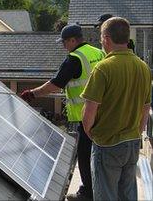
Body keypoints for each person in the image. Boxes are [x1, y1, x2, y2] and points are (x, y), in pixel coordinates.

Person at [20, 24, 104, 201]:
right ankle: (98, 189)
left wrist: (32, 93)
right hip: (104, 113)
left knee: (84, 155)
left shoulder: (74, 59)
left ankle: (88, 193)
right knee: (99, 156)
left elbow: (56, 84)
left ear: (73, 40)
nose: (63, 46)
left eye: (64, 42)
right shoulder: (98, 52)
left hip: (86, 116)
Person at [81, 17, 151, 201]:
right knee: (128, 195)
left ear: (106, 38)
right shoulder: (143, 67)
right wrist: (138, 131)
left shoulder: (103, 68)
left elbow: (89, 111)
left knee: (106, 196)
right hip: (132, 143)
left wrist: (90, 132)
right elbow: (146, 107)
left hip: (107, 144)